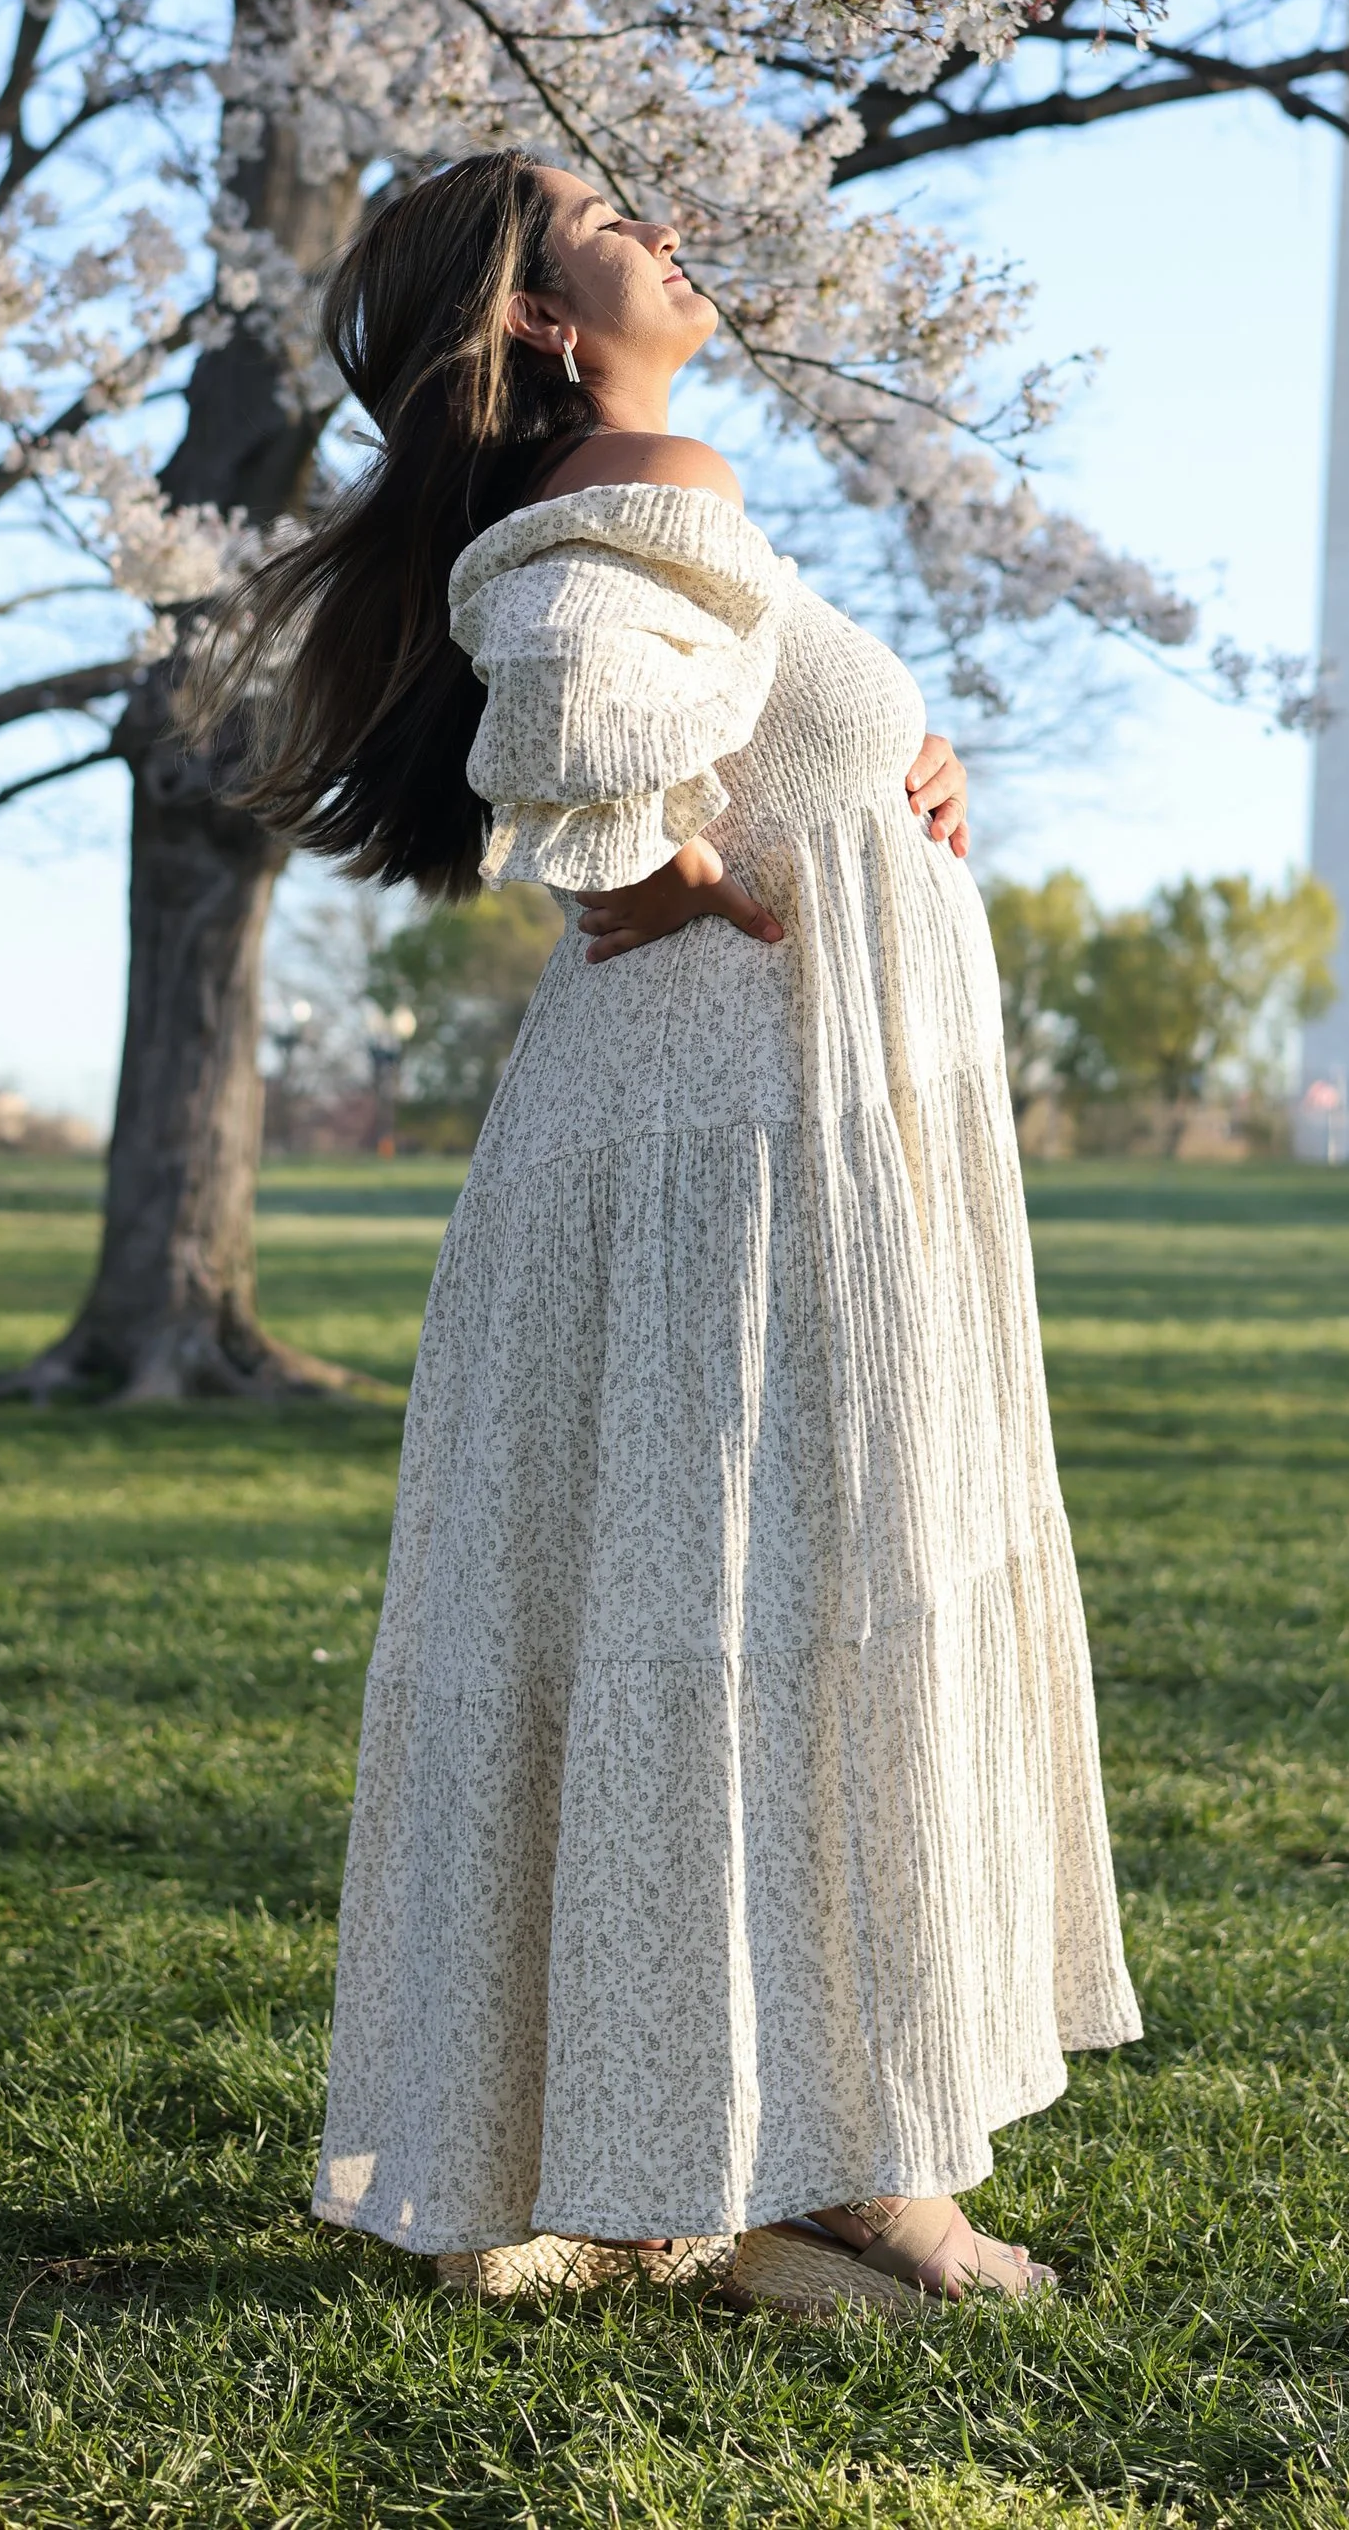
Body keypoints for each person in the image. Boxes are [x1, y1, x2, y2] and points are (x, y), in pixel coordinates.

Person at [204, 148, 1138, 2316]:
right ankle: (853, 2186)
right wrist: (670, 856)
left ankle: (674, 2159)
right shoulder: (647, 471)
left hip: (715, 1138)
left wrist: (898, 754)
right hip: (752, 1152)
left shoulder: (613, 489)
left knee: (696, 1610)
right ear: (539, 319)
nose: (666, 231)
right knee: (811, 1600)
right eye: (608, 221)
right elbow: (575, 702)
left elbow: (663, 693)